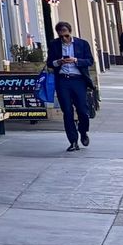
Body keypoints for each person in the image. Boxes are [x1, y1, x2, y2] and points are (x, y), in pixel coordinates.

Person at [43, 21, 95, 152]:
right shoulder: (54, 45)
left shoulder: (82, 44)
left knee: (83, 110)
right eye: (61, 36)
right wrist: (59, 62)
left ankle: (83, 132)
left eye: (66, 35)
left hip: (78, 80)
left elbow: (90, 60)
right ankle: (73, 141)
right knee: (67, 111)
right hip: (63, 81)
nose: (64, 38)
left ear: (70, 32)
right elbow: (50, 63)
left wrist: (76, 60)